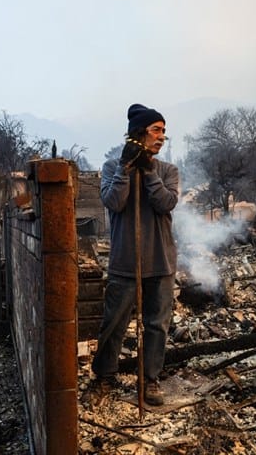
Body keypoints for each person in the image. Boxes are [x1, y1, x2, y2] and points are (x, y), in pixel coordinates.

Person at [91, 104, 179, 406]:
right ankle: (104, 376)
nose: (162, 137)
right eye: (156, 130)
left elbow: (166, 203)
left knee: (156, 325)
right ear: (138, 133)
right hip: (125, 262)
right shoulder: (111, 167)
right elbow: (114, 202)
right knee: (115, 323)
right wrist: (126, 169)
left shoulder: (167, 170)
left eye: (164, 131)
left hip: (161, 261)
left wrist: (149, 172)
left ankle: (150, 380)